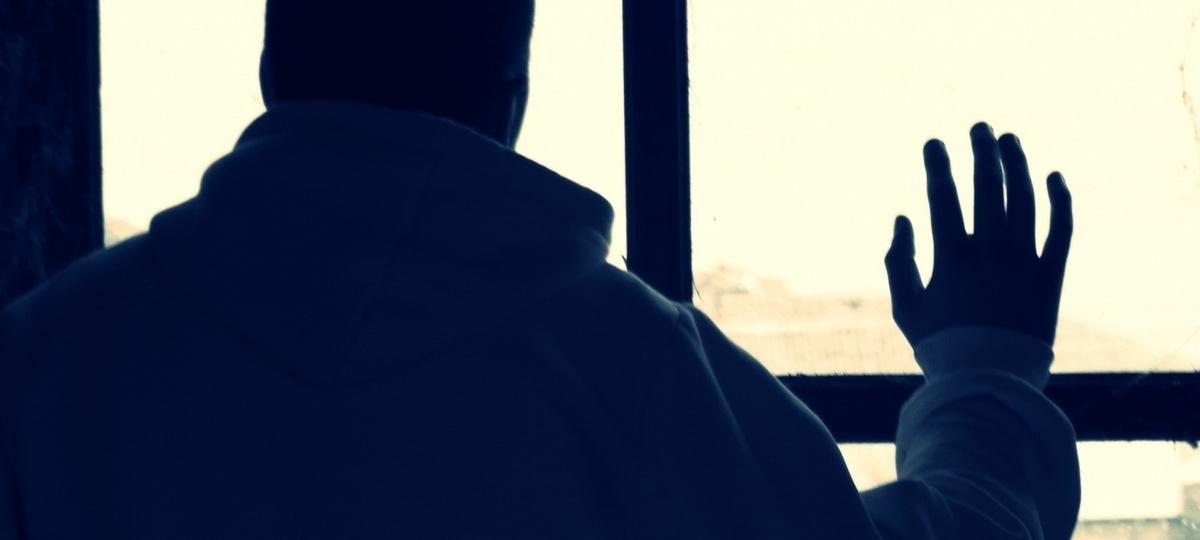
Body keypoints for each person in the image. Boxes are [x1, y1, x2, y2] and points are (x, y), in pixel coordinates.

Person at [0, 0, 1079, 538]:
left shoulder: (44, 361)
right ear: (508, 93)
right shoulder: (649, 378)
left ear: (274, 66)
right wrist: (984, 367)